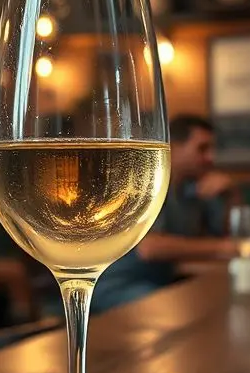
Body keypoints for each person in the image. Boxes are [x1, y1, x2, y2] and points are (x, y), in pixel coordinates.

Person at [92, 115, 237, 313]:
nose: (210, 157)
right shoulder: (144, 184)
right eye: (202, 149)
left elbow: (226, 237)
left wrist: (231, 194)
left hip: (163, 281)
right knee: (182, 309)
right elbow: (151, 248)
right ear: (174, 147)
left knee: (217, 303)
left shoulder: (194, 189)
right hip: (117, 284)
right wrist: (224, 248)